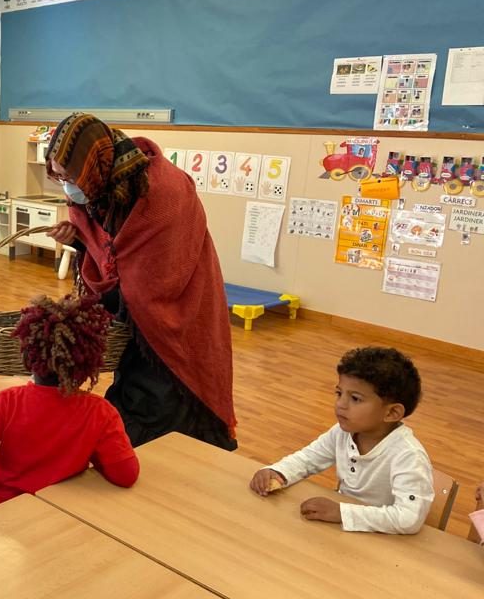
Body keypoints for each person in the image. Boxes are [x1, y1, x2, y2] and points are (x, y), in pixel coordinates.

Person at [45, 113, 236, 450]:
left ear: (90, 166)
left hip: (180, 314)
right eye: (58, 177)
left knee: (167, 408)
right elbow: (113, 254)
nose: (67, 186)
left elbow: (156, 275)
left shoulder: (162, 191)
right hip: (137, 324)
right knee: (135, 399)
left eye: (69, 176)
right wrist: (79, 240)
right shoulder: (98, 187)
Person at [0, 294, 139, 503]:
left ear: (27, 354)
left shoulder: (6, 403)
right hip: (66, 512)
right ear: (89, 362)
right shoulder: (100, 411)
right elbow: (126, 475)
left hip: (12, 511)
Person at [250, 347, 433, 535]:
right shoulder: (343, 432)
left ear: (392, 412)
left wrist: (341, 512)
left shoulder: (409, 455)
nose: (340, 404)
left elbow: (409, 519)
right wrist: (278, 472)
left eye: (355, 398)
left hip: (384, 541)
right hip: (343, 532)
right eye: (339, 393)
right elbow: (308, 459)